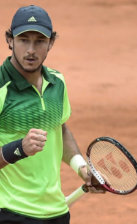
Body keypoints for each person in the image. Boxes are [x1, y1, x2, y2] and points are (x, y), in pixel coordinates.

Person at [0, 5, 104, 224]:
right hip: (10, 212)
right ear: (9, 41)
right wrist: (18, 149)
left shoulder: (58, 82)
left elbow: (60, 129)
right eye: (23, 39)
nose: (31, 49)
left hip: (56, 212)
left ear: (51, 43)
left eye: (39, 41)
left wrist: (81, 168)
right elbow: (18, 150)